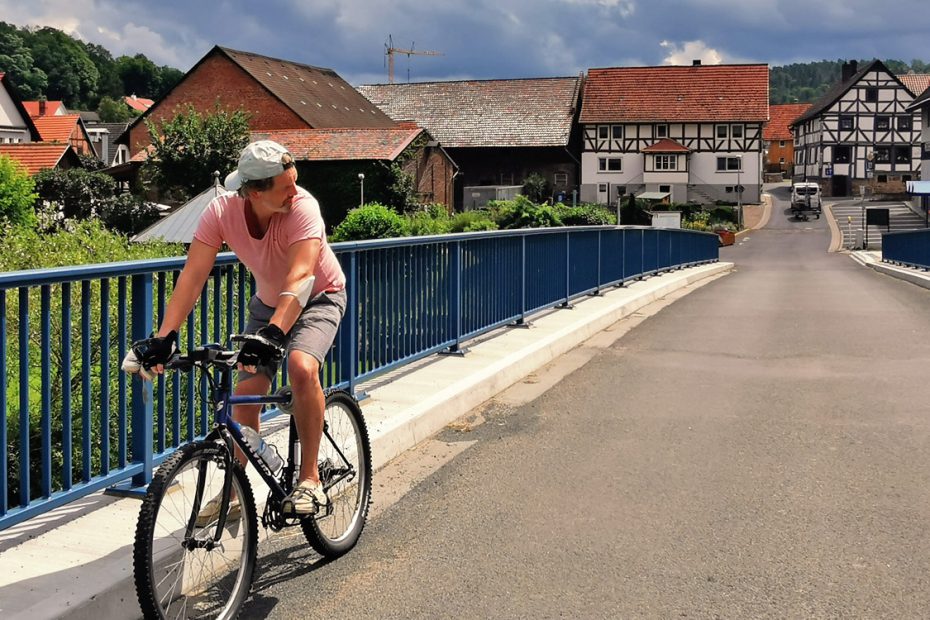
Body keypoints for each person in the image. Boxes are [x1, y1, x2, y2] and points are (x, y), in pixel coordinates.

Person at [122, 140, 347, 519]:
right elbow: (193, 276)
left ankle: (310, 480)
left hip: (319, 296)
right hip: (267, 303)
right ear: (255, 192)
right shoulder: (221, 211)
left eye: (295, 182)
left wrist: (275, 334)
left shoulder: (303, 208)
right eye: (286, 187)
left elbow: (302, 274)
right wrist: (165, 336)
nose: (296, 192)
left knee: (302, 367)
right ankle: (235, 491)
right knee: (246, 390)